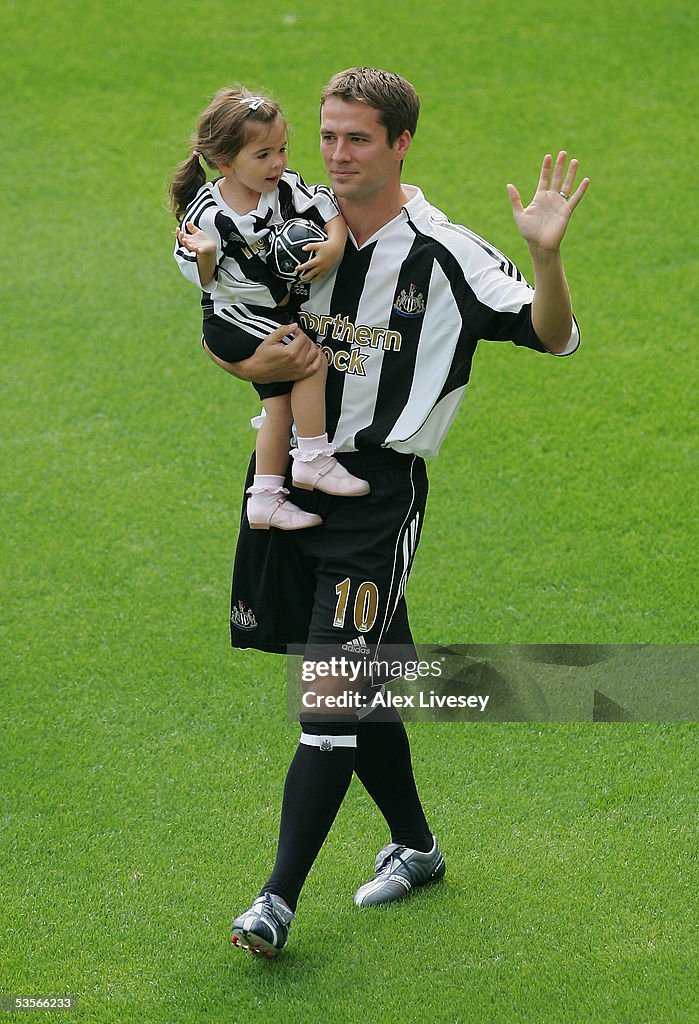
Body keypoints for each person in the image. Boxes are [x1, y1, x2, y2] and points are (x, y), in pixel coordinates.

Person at [203, 68, 589, 957]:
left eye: (358, 139)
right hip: (286, 483)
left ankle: (274, 903)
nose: (336, 156)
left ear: (400, 142)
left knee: (330, 695)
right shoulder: (290, 217)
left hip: (376, 497)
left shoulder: (444, 251)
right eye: (328, 136)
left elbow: (550, 332)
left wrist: (546, 256)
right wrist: (243, 364)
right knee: (365, 680)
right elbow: (225, 323)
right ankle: (417, 849)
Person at [171, 85, 369, 533]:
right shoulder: (207, 214)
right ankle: (315, 457)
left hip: (269, 314)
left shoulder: (284, 187)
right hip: (232, 316)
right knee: (311, 363)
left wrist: (334, 245)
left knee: (279, 406)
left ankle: (264, 499)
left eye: (281, 149)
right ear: (225, 162)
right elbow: (200, 279)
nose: (277, 163)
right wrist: (204, 254)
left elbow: (324, 204)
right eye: (263, 155)